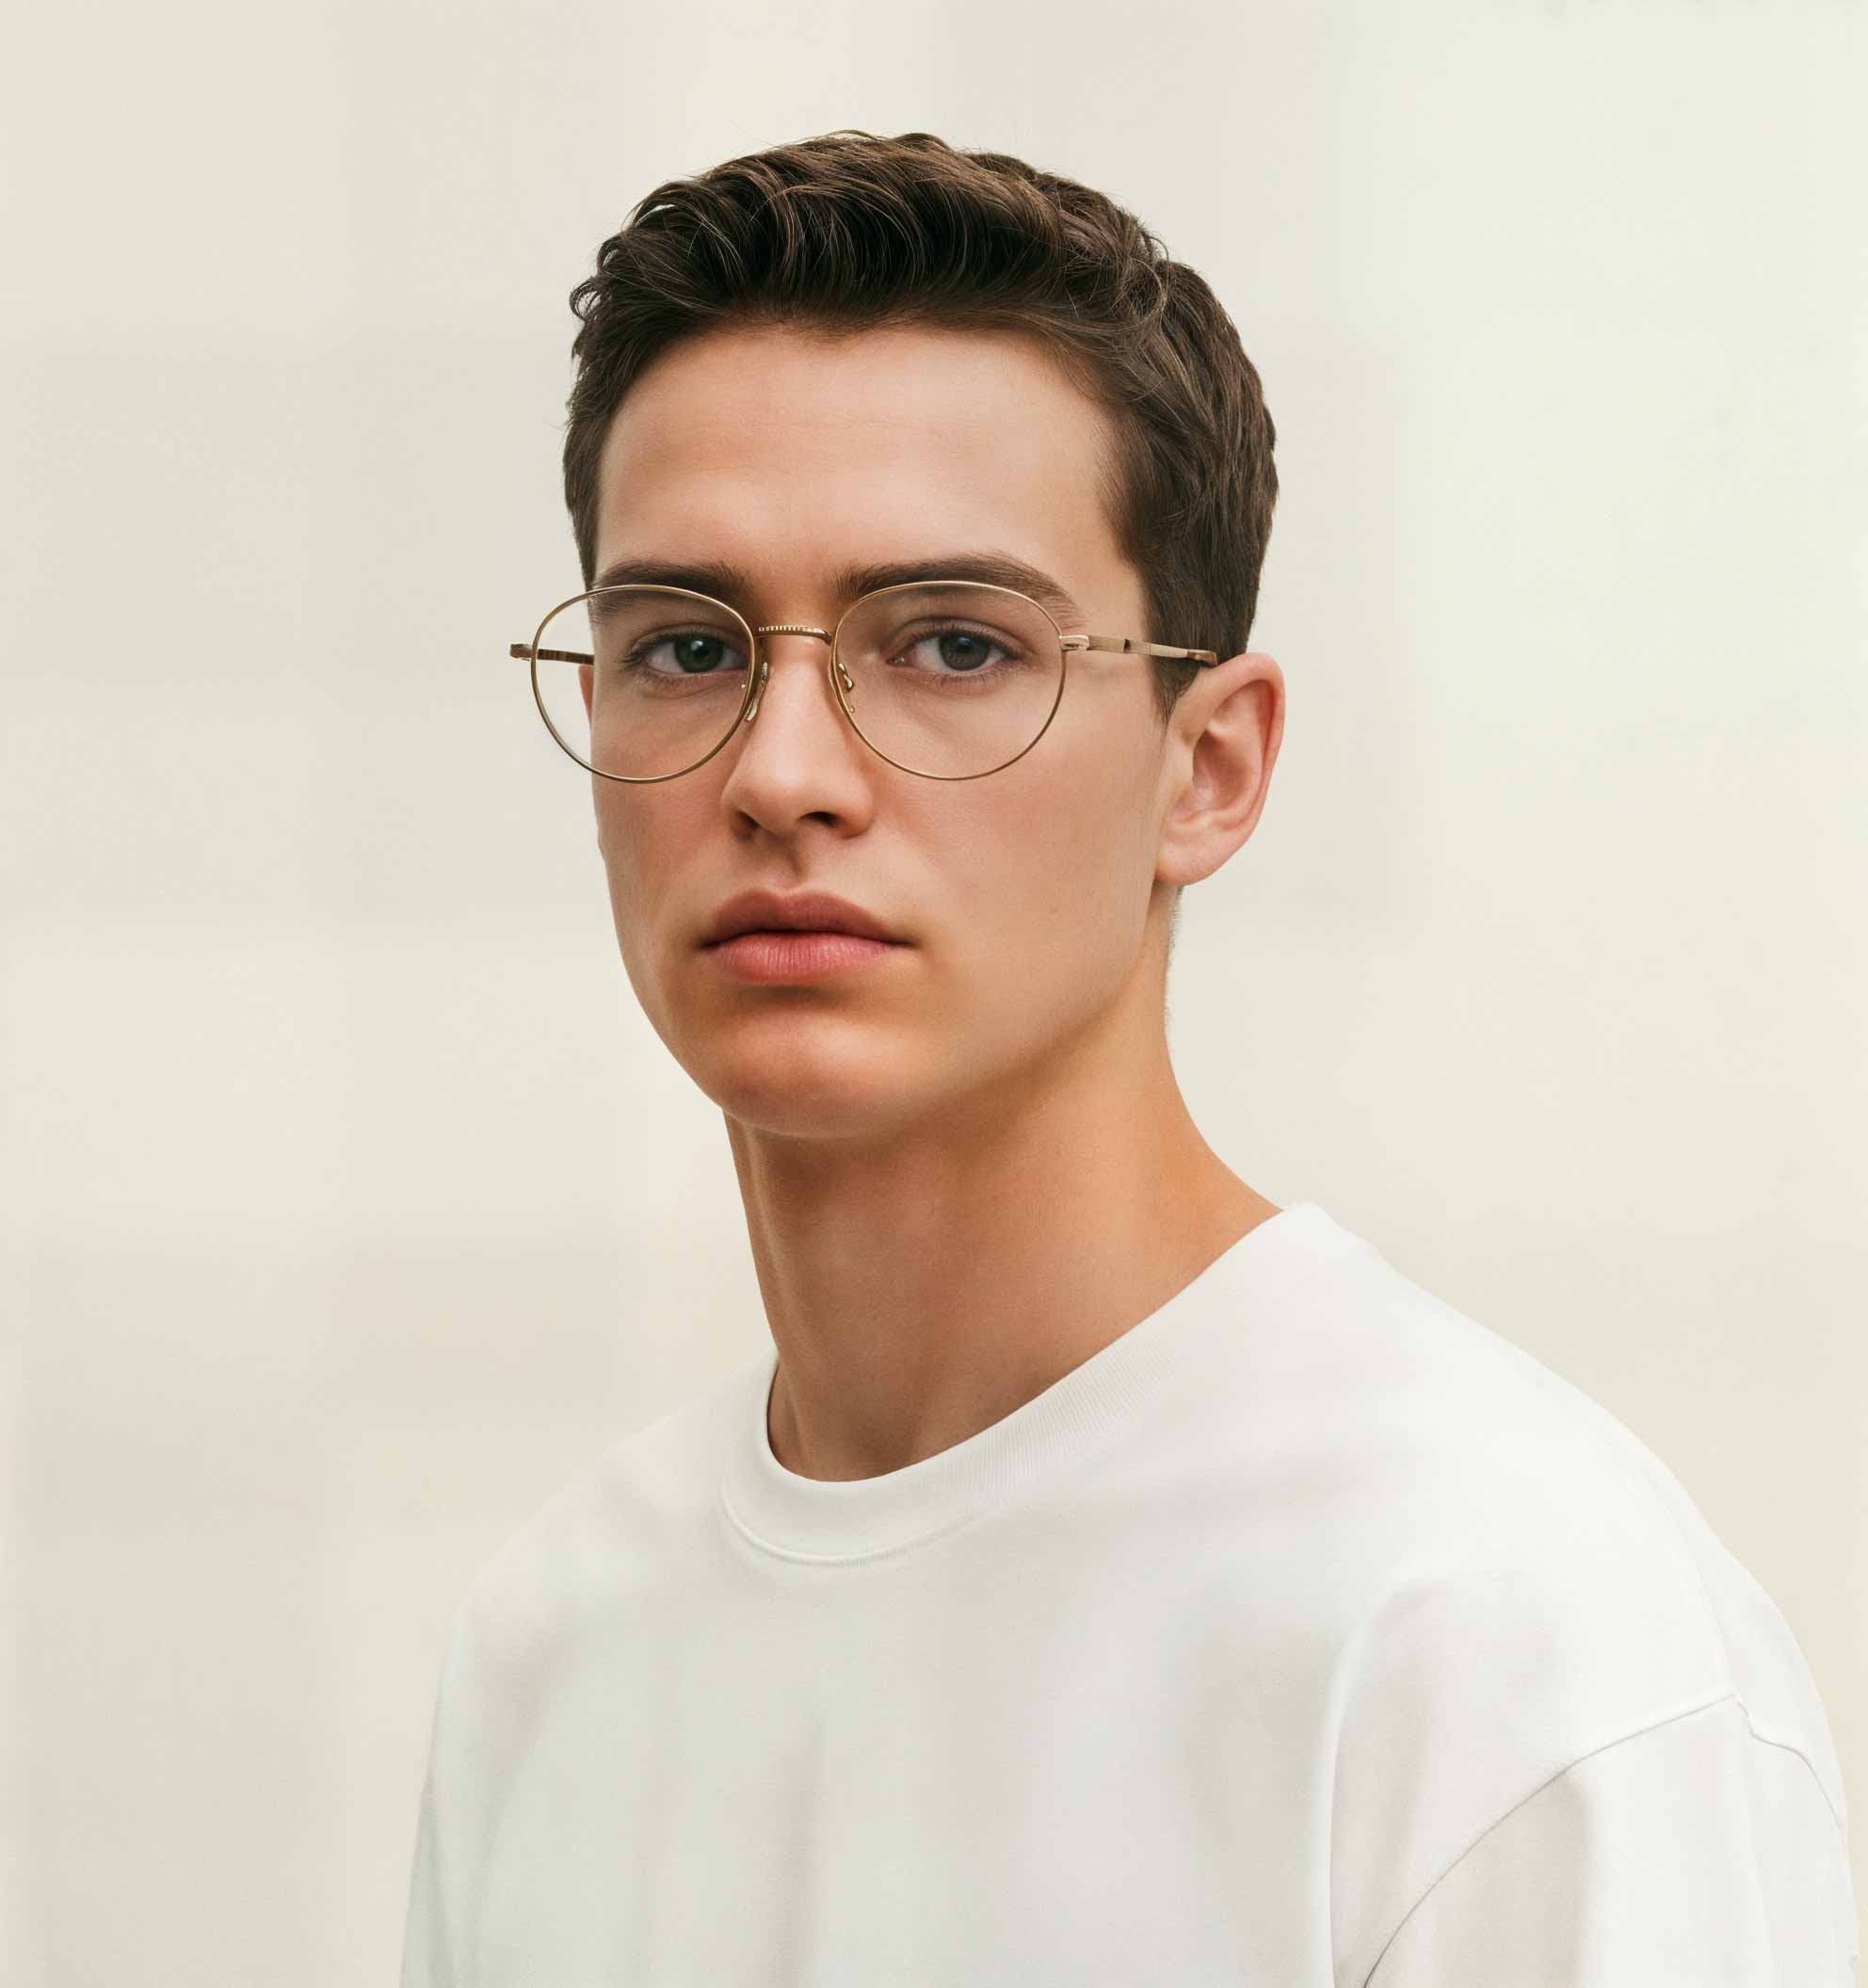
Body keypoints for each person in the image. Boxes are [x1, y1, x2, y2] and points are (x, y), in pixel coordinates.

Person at [399, 131, 1857, 1984]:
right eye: (682, 645)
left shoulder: (1498, 1630)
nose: (780, 773)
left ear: (1209, 768)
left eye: (945, 644)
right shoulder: (557, 1646)